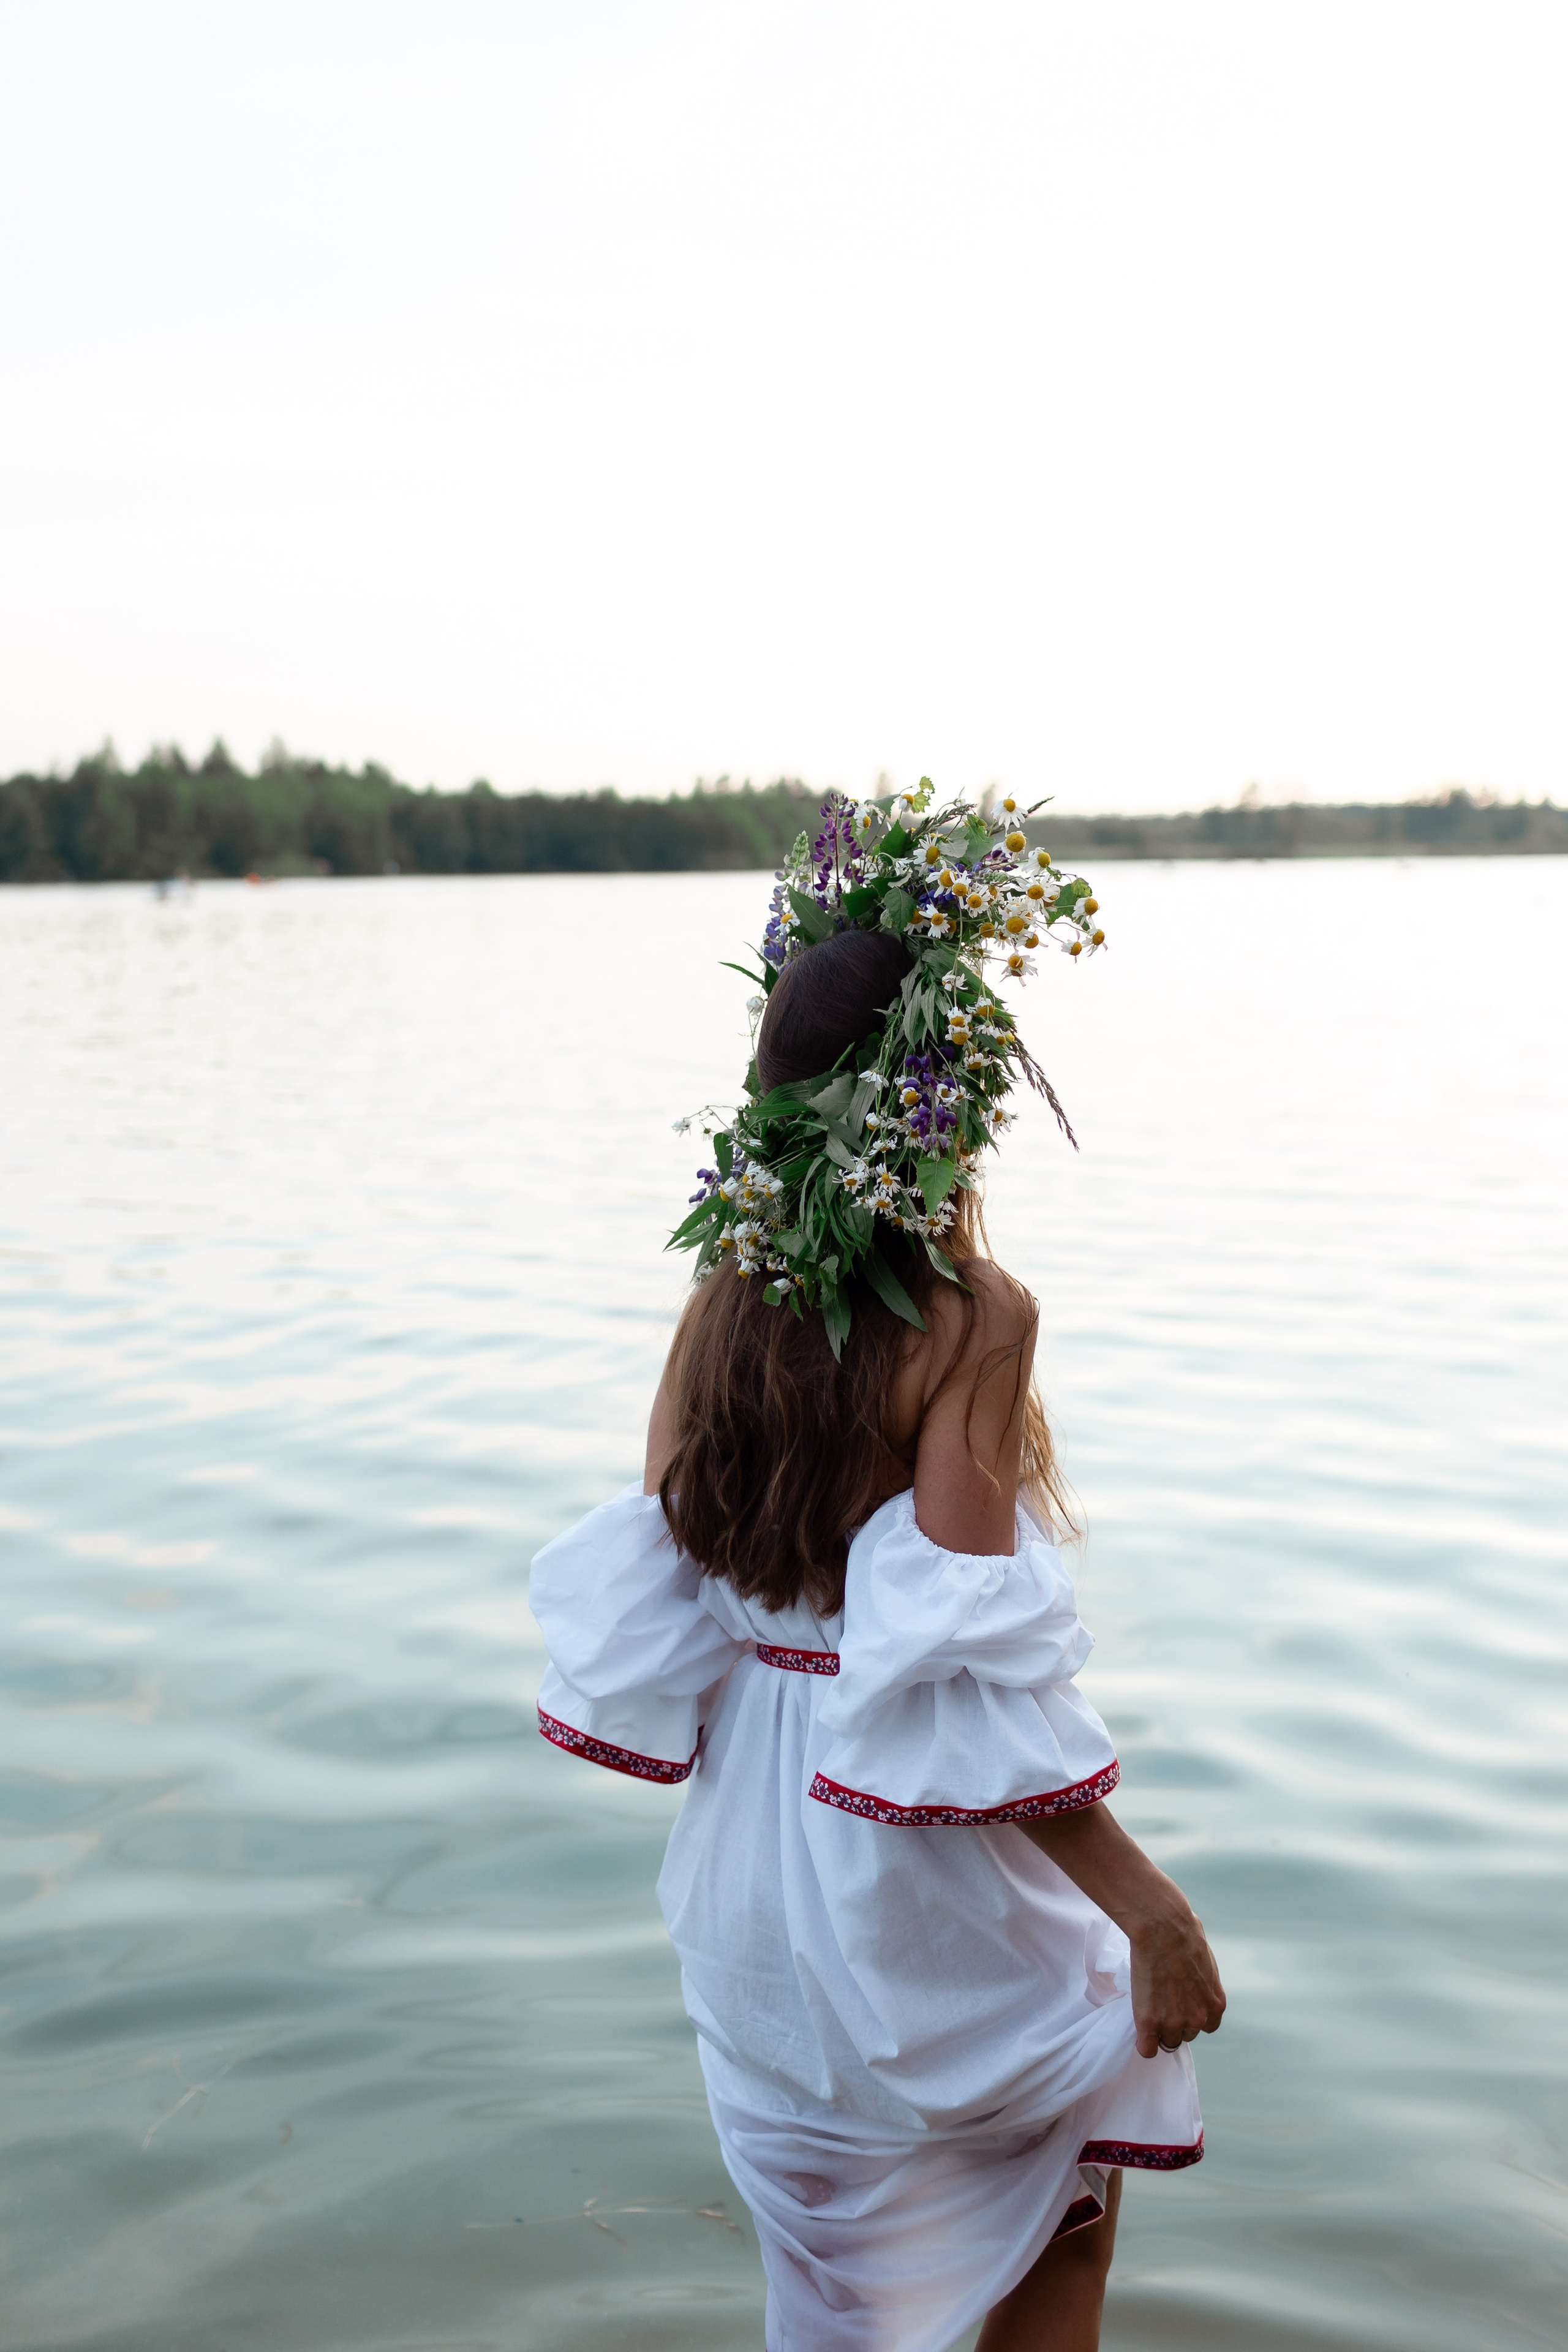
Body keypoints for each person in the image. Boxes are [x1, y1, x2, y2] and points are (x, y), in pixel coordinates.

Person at [531, 793, 1226, 2351]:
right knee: (1053, 2257)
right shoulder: (973, 1319)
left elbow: (673, 1577)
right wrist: (1148, 1909)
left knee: (833, 2302)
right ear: (937, 1097)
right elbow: (948, 1690)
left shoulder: (717, 1298)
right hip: (898, 1877)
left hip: (752, 1890)